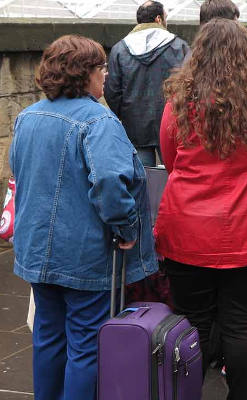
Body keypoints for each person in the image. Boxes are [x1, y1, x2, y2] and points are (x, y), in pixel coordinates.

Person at [11, 34, 157, 400]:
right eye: (101, 68)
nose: (106, 75)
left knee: (47, 336)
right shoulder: (98, 121)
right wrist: (126, 228)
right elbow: (110, 182)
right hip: (84, 255)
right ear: (83, 73)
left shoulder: (27, 117)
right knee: (86, 344)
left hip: (36, 250)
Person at [157, 19, 247, 400]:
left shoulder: (179, 103)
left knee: (193, 322)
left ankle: (186, 393)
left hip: (187, 228)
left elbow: (170, 160)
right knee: (241, 324)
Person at [104, 1, 189, 167]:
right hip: (172, 126)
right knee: (174, 177)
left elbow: (112, 91)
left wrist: (126, 115)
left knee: (142, 182)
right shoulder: (180, 47)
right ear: (158, 19)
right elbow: (189, 86)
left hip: (135, 127)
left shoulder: (119, 49)